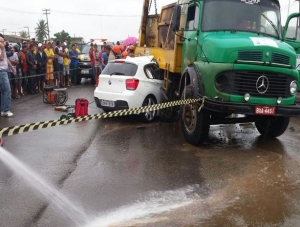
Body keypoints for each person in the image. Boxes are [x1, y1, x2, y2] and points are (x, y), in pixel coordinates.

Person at [0, 35, 15, 117]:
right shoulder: (1, 50)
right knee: (7, 90)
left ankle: (3, 109)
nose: (3, 43)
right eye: (1, 41)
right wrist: (2, 49)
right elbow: (1, 58)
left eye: (3, 41)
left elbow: (6, 59)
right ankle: (6, 109)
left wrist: (12, 67)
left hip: (4, 71)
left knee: (3, 91)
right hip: (1, 72)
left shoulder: (3, 50)